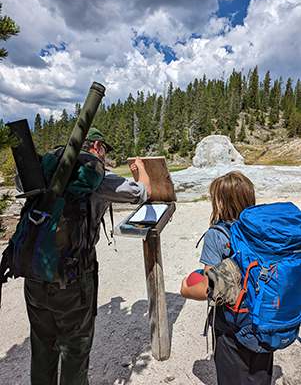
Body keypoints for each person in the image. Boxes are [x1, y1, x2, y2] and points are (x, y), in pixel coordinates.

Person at [24, 127, 151, 385]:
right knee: (75, 350)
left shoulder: (45, 168)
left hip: (35, 273)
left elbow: (20, 182)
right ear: (96, 147)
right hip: (74, 278)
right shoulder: (94, 176)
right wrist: (141, 171)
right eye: (103, 150)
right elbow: (142, 193)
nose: (103, 157)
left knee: (42, 348)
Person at [180, 171, 273, 385]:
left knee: (232, 374)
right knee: (259, 373)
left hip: (232, 322)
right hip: (264, 315)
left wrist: (185, 288)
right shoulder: (263, 231)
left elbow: (210, 287)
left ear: (221, 202)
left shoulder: (217, 234)